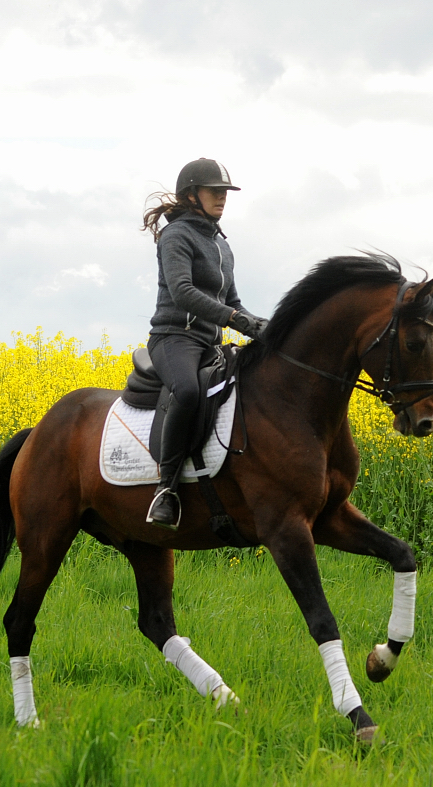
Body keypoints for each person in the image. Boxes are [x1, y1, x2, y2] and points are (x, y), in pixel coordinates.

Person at [141, 158, 269, 528]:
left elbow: (233, 303)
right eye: (215, 191)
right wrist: (234, 319)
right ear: (191, 195)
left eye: (225, 192)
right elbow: (182, 292)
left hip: (209, 345)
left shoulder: (221, 246)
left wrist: (260, 325)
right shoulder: (176, 236)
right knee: (189, 392)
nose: (222, 198)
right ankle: (165, 490)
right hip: (173, 339)